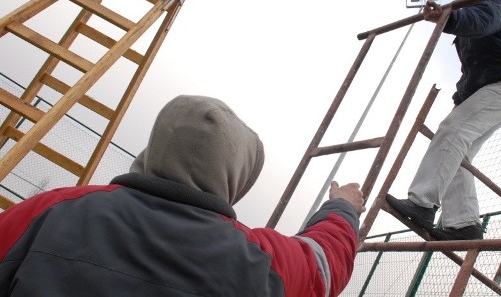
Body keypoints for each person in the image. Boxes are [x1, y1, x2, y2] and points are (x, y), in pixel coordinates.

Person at [0, 95, 365, 296]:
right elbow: (324, 263)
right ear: (238, 175)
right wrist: (343, 207)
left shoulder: (52, 210)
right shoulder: (260, 262)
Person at [386, 0, 501, 241]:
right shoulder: (466, 14)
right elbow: (471, 68)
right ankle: (464, 224)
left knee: (452, 132)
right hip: (490, 89)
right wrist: (460, 97)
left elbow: (481, 21)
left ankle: (421, 203)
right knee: (458, 152)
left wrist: (449, 16)